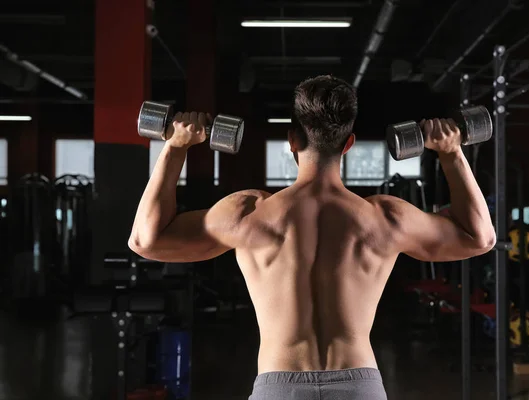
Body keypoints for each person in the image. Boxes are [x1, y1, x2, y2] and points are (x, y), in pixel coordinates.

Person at [129, 75, 496, 400]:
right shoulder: (385, 217)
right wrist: (451, 154)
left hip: (279, 387)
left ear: (291, 140)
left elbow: (146, 240)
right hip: (360, 388)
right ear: (348, 143)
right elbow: (480, 238)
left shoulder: (248, 213)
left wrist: (175, 147)